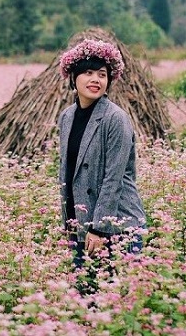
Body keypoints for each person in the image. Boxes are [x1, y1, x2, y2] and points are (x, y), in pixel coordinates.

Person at [57, 37, 146, 294]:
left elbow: (113, 179)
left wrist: (98, 228)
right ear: (73, 78)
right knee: (86, 298)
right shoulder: (67, 117)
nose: (95, 79)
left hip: (115, 225)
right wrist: (70, 223)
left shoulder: (115, 118)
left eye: (102, 74)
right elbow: (68, 172)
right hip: (80, 224)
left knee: (118, 302)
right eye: (87, 72)